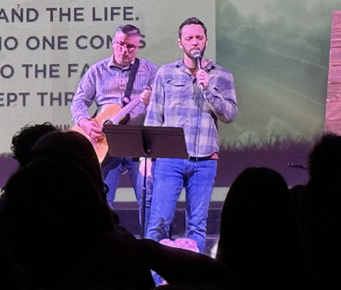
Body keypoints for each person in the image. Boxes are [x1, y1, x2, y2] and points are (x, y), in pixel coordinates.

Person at [145, 17, 237, 253]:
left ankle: (193, 272)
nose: (194, 42)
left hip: (204, 159)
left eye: (199, 37)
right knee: (159, 222)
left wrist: (209, 89)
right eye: (189, 38)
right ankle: (153, 273)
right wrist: (147, 157)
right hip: (169, 159)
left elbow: (229, 115)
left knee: (197, 225)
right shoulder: (165, 73)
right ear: (180, 42)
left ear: (206, 40)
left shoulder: (222, 75)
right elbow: (153, 116)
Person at [70, 24, 157, 208]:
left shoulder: (150, 71)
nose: (124, 50)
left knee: (147, 198)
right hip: (104, 142)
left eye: (130, 46)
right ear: (113, 43)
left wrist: (152, 101)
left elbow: (163, 104)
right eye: (120, 44)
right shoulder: (97, 70)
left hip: (137, 142)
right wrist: (85, 123)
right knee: (102, 199)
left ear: (138, 46)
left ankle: (147, 228)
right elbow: (78, 102)